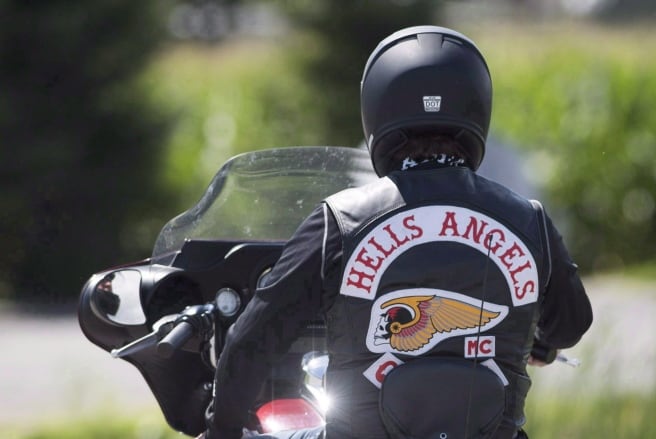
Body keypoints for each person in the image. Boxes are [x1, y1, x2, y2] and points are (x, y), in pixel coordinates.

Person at [203, 25, 592, 439]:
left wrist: (218, 431)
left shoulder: (340, 219)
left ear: (378, 109)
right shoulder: (529, 220)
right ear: (477, 106)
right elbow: (571, 324)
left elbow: (252, 341)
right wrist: (539, 341)